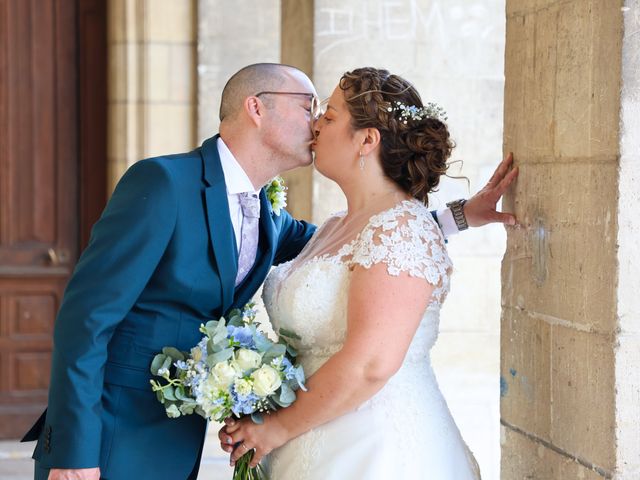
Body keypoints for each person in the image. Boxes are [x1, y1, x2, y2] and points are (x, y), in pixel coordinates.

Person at [23, 63, 515, 480]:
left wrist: (461, 215)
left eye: (327, 112)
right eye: (309, 107)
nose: (318, 122)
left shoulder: (269, 216)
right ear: (257, 109)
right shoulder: (163, 183)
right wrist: (74, 450)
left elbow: (381, 247)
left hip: (189, 435)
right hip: (110, 431)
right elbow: (86, 317)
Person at [219, 67, 518, 479]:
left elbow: (372, 363)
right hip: (309, 441)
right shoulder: (334, 226)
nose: (316, 123)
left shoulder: (402, 227)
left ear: (366, 140)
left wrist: (276, 429)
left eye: (330, 115)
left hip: (376, 448)